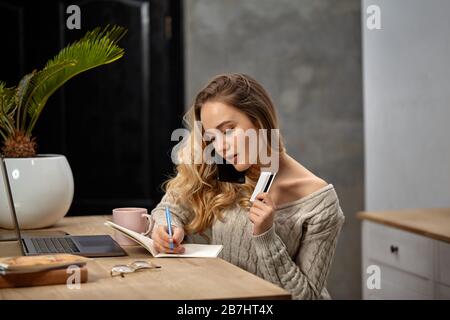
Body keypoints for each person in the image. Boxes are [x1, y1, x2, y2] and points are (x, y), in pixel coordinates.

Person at [150, 73, 345, 299]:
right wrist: (167, 228)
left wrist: (266, 236)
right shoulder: (226, 169)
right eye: (212, 138)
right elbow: (171, 208)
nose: (220, 147)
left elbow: (307, 296)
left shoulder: (319, 203)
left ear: (260, 120)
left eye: (228, 130)